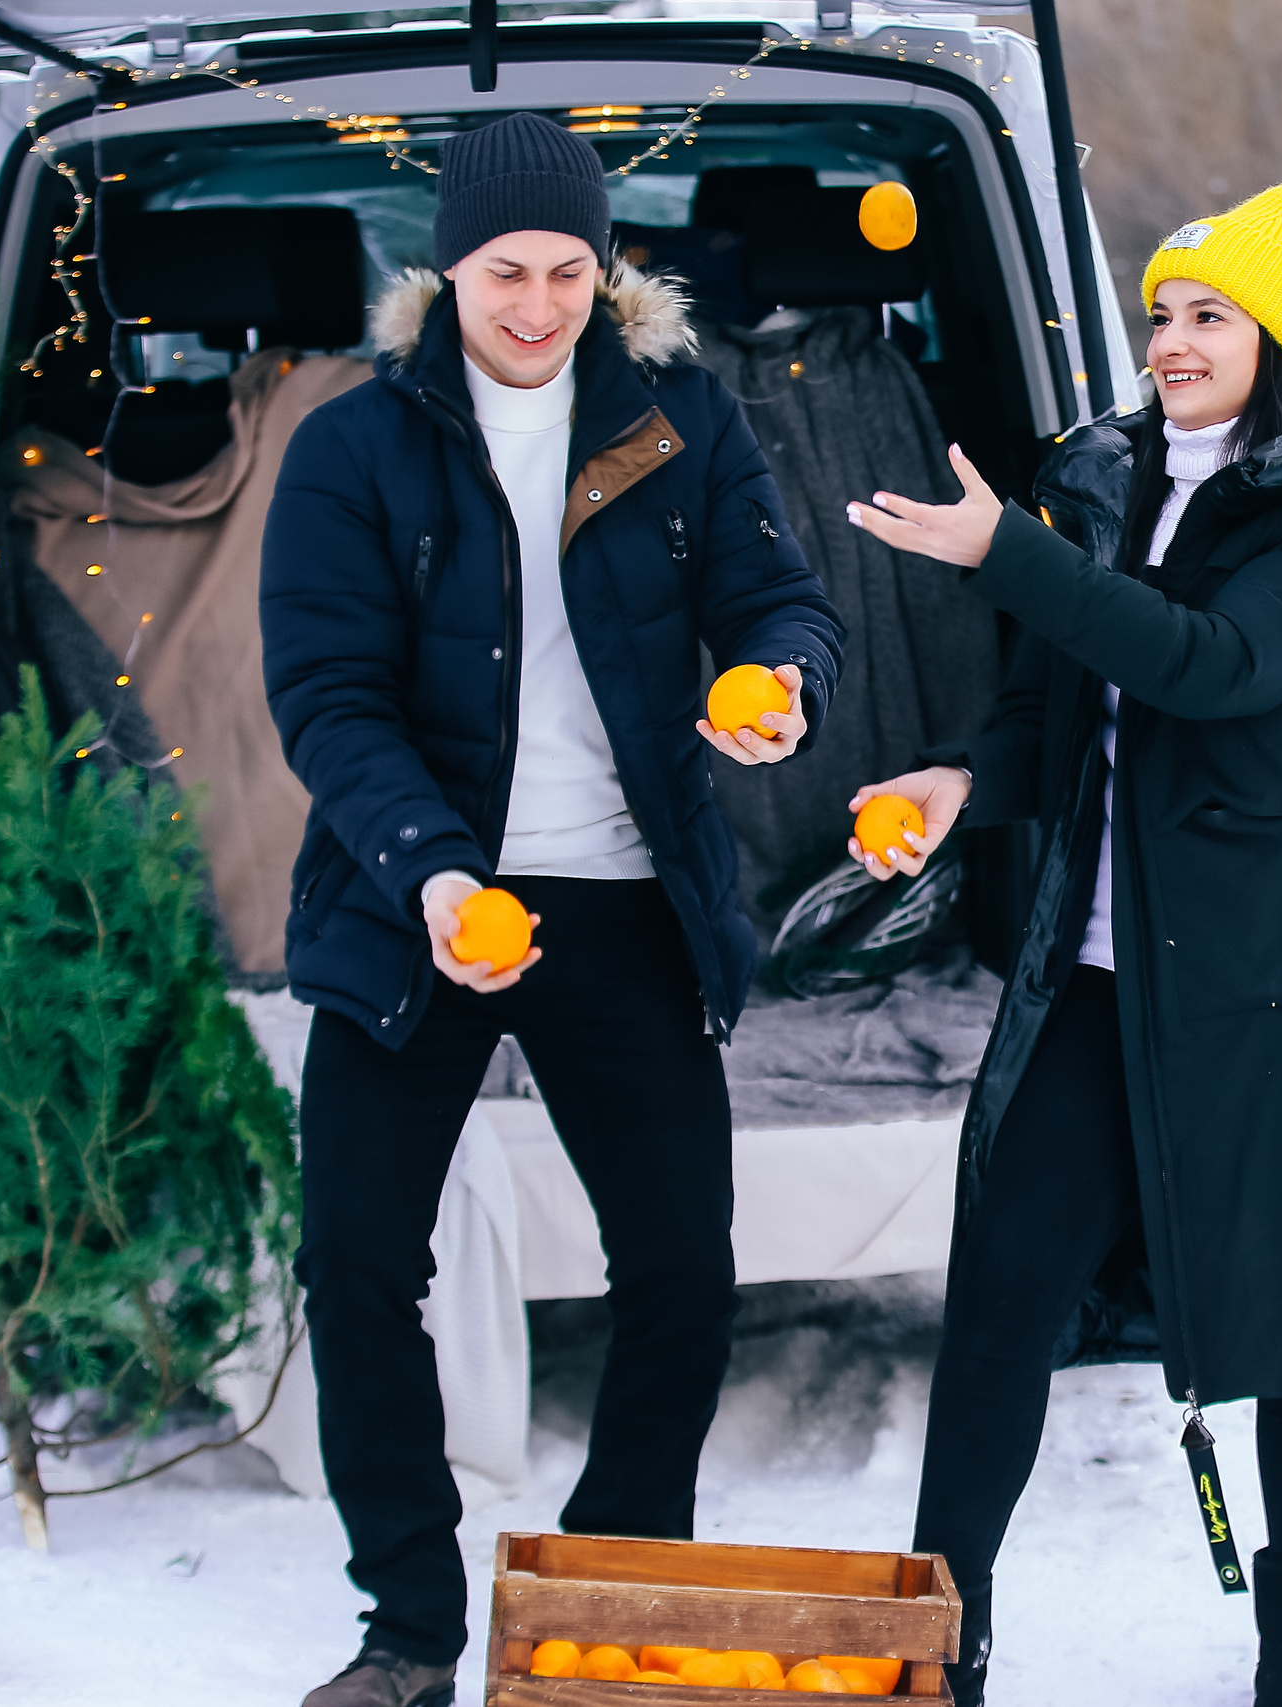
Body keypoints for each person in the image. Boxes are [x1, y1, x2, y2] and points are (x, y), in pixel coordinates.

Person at [260, 113, 844, 1707]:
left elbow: (781, 600)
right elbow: (325, 694)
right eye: (505, 272)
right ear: (448, 269)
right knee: (359, 1267)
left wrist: (780, 685)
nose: (536, 305)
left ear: (607, 269)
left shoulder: (682, 420)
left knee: (680, 1268)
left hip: (622, 898)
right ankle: (408, 1630)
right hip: (413, 900)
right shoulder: (351, 446)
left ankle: (602, 1591)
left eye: (568, 272)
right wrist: (438, 872)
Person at [843, 183, 1282, 1707]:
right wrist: (964, 779)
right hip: (1104, 980)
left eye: (1210, 316)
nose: (1173, 341)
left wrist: (1008, 551)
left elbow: (1206, 665)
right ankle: (937, 1653)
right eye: (1162, 312)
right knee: (999, 1309)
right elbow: (1060, 704)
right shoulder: (1102, 479)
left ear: (1278, 343)